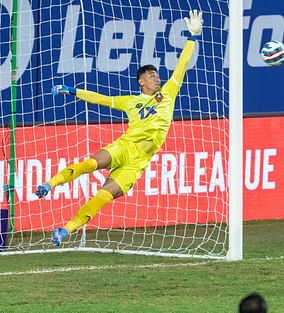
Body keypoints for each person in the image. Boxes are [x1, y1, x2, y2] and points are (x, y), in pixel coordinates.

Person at [35, 10, 204, 246]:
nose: (156, 78)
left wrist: (192, 37)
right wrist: (73, 91)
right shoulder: (130, 101)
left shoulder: (168, 93)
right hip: (124, 146)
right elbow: (101, 99)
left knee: (102, 197)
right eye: (151, 75)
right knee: (91, 163)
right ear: (141, 81)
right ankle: (48, 185)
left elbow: (182, 66)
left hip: (138, 162)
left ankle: (65, 231)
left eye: (157, 75)